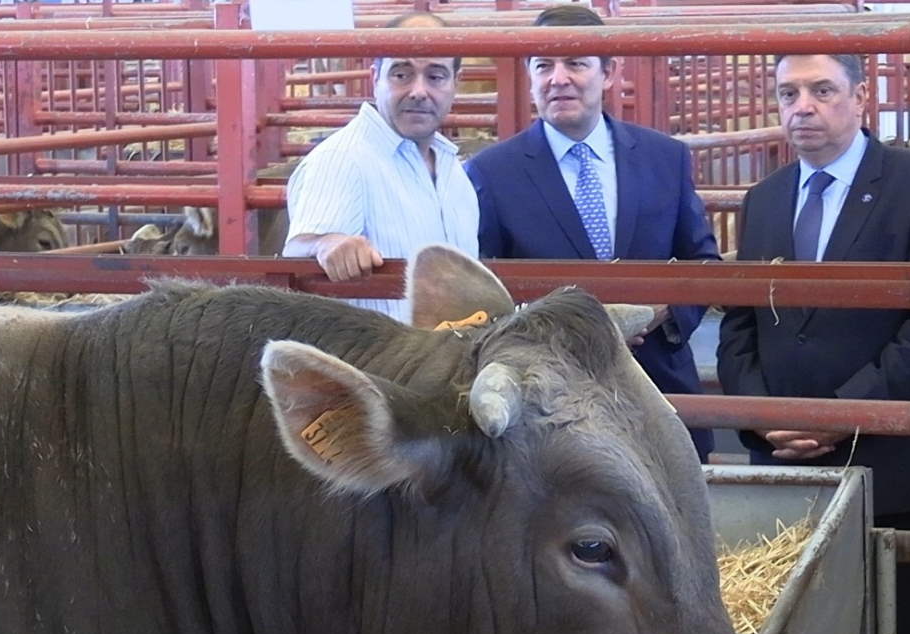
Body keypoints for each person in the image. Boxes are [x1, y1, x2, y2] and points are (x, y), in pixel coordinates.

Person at [716, 53, 910, 634]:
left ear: (861, 100)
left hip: (889, 462)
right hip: (787, 467)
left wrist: (842, 415)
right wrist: (766, 420)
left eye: (822, 91)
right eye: (789, 92)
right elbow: (738, 325)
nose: (803, 107)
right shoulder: (764, 199)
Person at [464, 4, 720, 462]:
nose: (558, 78)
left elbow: (703, 262)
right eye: (543, 65)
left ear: (609, 73)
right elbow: (484, 293)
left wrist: (662, 311)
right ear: (529, 76)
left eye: (576, 63)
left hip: (659, 388)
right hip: (549, 406)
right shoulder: (491, 173)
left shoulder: (666, 158)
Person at [283, 11, 479, 321]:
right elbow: (300, 252)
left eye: (436, 75)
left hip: (450, 360)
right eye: (401, 74)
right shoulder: (342, 158)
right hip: (381, 365)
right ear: (375, 78)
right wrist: (325, 243)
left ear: (456, 82)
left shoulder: (454, 170)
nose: (418, 90)